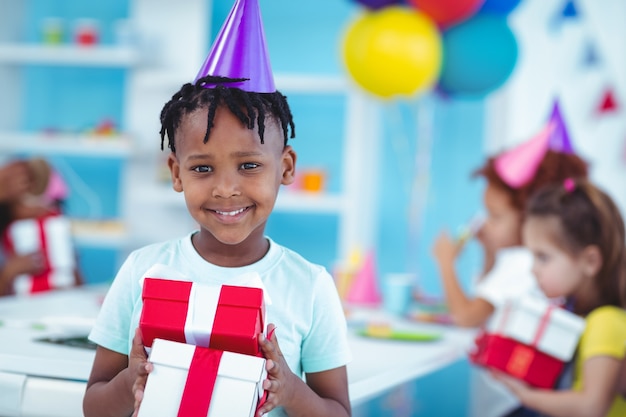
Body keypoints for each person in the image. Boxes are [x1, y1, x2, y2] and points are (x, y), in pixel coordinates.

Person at [83, 1, 351, 416]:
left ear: (286, 168)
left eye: (249, 165)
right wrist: (128, 381)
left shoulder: (310, 287)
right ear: (176, 173)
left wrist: (290, 391)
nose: (226, 189)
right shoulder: (142, 270)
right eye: (203, 168)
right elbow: (94, 407)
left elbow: (340, 411)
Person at [493, 178, 626, 417]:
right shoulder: (580, 314)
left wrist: (526, 396)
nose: (533, 269)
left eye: (543, 257)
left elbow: (592, 407)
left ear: (590, 261)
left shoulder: (606, 321)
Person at [0, 157, 80, 296]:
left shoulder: (56, 229)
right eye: (27, 200)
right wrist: (8, 273)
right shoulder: (10, 234)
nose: (42, 209)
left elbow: (77, 283)